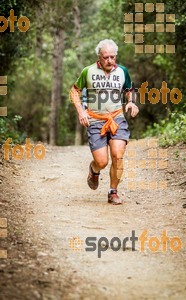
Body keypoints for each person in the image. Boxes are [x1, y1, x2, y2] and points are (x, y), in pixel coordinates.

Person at [70, 39, 139, 205]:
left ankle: (113, 192)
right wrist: (81, 112)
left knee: (118, 155)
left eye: (113, 57)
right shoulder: (88, 71)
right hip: (95, 119)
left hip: (117, 118)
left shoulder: (123, 71)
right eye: (106, 57)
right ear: (99, 57)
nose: (110, 61)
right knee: (102, 161)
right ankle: (94, 170)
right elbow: (74, 91)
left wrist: (131, 101)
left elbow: (130, 90)